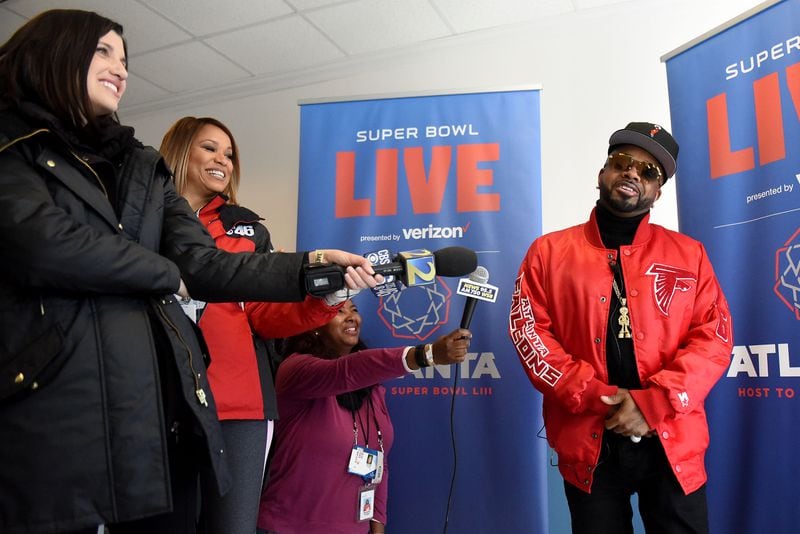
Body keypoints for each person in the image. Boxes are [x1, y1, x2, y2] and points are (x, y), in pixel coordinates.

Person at [0, 10, 381, 534]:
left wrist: (312, 266)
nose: (121, 69)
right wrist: (164, 274)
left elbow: (209, 267)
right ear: (55, 52)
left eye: (126, 59)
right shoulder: (12, 143)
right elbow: (44, 244)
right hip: (53, 400)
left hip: (167, 400)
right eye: (103, 52)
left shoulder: (141, 164)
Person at [508, 122, 733, 534]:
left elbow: (713, 339)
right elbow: (531, 337)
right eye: (622, 162)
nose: (633, 173)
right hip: (589, 436)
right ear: (603, 172)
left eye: (649, 172)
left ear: (657, 192)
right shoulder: (548, 253)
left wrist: (652, 404)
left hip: (671, 435)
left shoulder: (690, 254)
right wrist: (599, 397)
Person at [160, 116, 346, 534]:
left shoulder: (248, 230)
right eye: (209, 148)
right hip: (160, 401)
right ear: (179, 151)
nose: (222, 160)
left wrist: (325, 301)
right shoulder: (142, 224)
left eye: (229, 154)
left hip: (238, 406)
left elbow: (266, 317)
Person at [257, 299, 472, 534]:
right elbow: (346, 371)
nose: (351, 317)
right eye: (339, 311)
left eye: (355, 310)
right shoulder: (296, 369)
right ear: (314, 325)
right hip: (289, 528)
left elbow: (379, 462)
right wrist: (426, 355)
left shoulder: (371, 388)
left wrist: (376, 529)